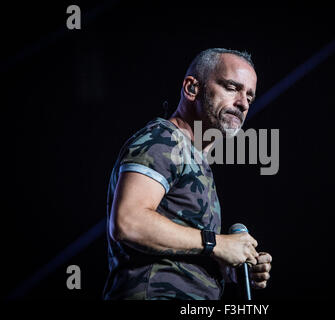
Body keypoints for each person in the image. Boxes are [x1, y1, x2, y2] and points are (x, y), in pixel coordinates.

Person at [103, 48, 272, 300]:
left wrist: (231, 268)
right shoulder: (163, 140)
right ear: (192, 88)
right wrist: (217, 243)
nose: (243, 103)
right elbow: (129, 222)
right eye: (231, 87)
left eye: (250, 96)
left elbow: (187, 251)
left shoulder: (195, 160)